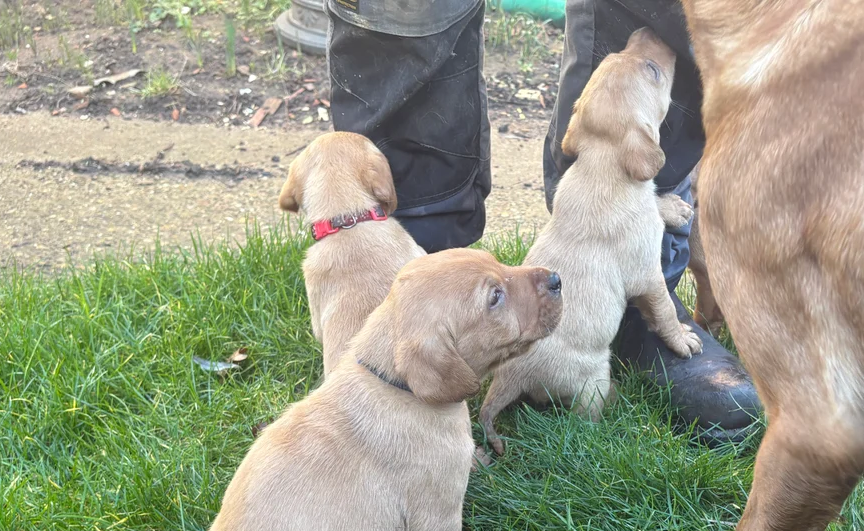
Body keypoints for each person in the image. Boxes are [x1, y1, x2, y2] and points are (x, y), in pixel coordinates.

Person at [324, 0, 760, 443]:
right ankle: (425, 297)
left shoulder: (594, 177)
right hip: (578, 343)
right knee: (405, 11)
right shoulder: (628, 159)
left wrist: (658, 209)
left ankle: (625, 321)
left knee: (651, 7)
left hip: (612, 231)